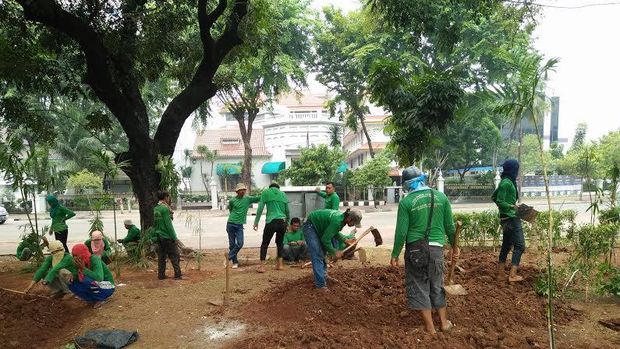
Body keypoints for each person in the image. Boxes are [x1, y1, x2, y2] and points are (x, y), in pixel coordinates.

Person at [390, 165, 457, 335]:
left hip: (415, 251)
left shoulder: (406, 202)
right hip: (436, 249)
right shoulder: (441, 197)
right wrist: (455, 246)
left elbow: (402, 232)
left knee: (419, 285)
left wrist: (395, 254)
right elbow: (450, 226)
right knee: (437, 285)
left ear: (406, 184)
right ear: (423, 179)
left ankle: (429, 327)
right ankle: (444, 323)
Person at [303, 208, 361, 289]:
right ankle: (320, 285)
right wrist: (334, 251)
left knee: (322, 252)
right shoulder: (338, 221)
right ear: (349, 218)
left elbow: (333, 232)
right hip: (310, 226)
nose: (353, 225)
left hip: (318, 226)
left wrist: (345, 240)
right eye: (353, 223)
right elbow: (325, 239)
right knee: (317, 254)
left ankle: (323, 276)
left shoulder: (342, 219)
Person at [492, 159, 525, 282]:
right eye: (516, 169)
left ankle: (500, 273)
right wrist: (511, 206)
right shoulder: (506, 182)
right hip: (511, 218)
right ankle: (512, 275)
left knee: (506, 245)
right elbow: (499, 201)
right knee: (520, 245)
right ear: (512, 169)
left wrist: (512, 205)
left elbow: (494, 197)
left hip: (507, 218)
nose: (517, 172)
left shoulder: (506, 181)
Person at [254, 183, 290, 273]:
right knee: (280, 243)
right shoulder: (283, 194)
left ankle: (262, 267)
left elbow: (260, 208)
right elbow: (287, 211)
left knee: (265, 244)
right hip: (282, 222)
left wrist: (256, 222)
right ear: (278, 188)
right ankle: (280, 265)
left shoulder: (266, 192)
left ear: (270, 187)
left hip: (271, 222)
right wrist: (287, 223)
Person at [68, 243, 115, 308]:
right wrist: (73, 275)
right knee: (71, 283)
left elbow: (99, 278)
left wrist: (83, 269)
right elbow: (77, 276)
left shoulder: (94, 259)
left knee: (86, 280)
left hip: (108, 285)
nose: (75, 258)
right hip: (97, 284)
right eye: (73, 256)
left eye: (76, 255)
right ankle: (91, 299)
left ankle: (101, 298)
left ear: (83, 254)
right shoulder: (79, 262)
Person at [225, 183, 261, 269]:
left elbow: (258, 198)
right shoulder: (232, 200)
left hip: (239, 225)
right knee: (232, 244)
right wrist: (234, 218)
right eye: (241, 190)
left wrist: (266, 193)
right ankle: (235, 262)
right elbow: (231, 209)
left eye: (244, 190)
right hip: (230, 223)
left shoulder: (247, 199)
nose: (243, 191)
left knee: (240, 243)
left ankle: (228, 257)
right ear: (237, 191)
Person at [153, 190, 182, 280]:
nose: (169, 199)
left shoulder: (156, 208)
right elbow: (168, 225)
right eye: (168, 197)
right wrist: (175, 237)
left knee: (161, 257)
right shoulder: (165, 209)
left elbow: (155, 224)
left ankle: (161, 275)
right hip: (166, 236)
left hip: (159, 236)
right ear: (166, 197)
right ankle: (177, 275)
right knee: (174, 255)